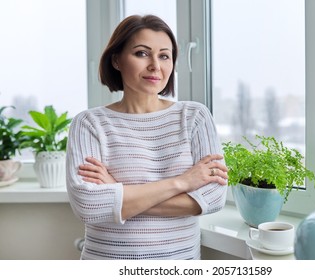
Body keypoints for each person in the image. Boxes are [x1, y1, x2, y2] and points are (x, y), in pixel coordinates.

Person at [66, 14, 228, 260]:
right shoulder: (89, 123)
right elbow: (89, 206)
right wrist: (182, 183)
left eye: (164, 55)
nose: (155, 65)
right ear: (117, 60)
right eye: (142, 53)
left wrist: (117, 192)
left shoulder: (195, 116)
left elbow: (213, 198)